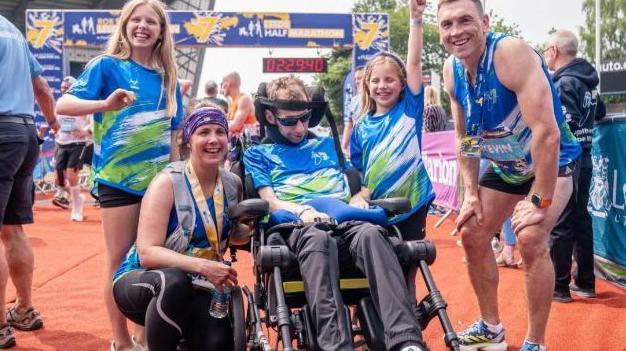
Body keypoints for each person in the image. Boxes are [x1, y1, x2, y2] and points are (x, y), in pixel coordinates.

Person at [437, 0, 582, 350]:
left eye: (465, 20)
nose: (456, 31)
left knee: (531, 237)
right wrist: (470, 192)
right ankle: (491, 328)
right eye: (447, 24)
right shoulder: (450, 71)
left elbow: (548, 135)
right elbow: (466, 138)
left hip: (551, 161)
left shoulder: (509, 54)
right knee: (472, 230)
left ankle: (536, 342)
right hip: (506, 165)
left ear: (485, 22)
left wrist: (539, 199)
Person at [244, 73, 426, 351]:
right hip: (300, 227)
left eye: (304, 118)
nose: (299, 127)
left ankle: (406, 342)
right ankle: (335, 346)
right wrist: (301, 211)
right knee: (318, 240)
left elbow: (359, 186)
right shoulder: (259, 154)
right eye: (289, 121)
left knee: (373, 235)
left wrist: (360, 197)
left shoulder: (327, 144)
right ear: (270, 117)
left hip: (347, 221)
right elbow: (270, 202)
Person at [56, 0, 184, 350]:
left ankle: (144, 336)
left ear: (161, 33)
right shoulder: (106, 66)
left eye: (151, 22)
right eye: (136, 20)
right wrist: (105, 105)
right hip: (118, 182)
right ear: (125, 25)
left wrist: (177, 179)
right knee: (118, 260)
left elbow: (174, 137)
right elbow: (62, 105)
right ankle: (121, 342)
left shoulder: (168, 79)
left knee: (150, 259)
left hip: (160, 187)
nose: (142, 26)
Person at [113, 107, 249, 350]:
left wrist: (252, 229)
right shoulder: (167, 182)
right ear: (189, 139)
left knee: (218, 343)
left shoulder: (232, 183)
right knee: (174, 283)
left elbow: (229, 235)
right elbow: (148, 253)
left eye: (220, 132)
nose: (213, 139)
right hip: (143, 281)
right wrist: (205, 266)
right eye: (203, 132)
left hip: (200, 286)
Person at [350, 0, 434, 241]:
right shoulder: (361, 127)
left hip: (413, 204)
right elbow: (358, 172)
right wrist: (359, 195)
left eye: (389, 80)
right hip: (376, 211)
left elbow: (414, 63)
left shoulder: (409, 110)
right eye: (375, 80)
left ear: (402, 84)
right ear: (366, 84)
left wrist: (415, 20)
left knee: (409, 267)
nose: (382, 86)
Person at [0, 13, 58, 349]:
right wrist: (52, 122)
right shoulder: (12, 30)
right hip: (24, 133)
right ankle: (23, 309)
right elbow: (42, 88)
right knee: (13, 228)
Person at [544, 29, 605, 303]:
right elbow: (600, 112)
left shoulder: (563, 83)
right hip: (588, 157)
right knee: (581, 218)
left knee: (562, 220)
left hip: (569, 161)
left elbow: (562, 128)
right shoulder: (588, 82)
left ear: (554, 51)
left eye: (546, 49)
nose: (546, 54)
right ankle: (586, 282)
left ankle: (559, 288)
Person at [51, 76, 92, 221]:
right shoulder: (59, 104)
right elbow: (59, 122)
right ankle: (78, 197)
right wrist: (55, 129)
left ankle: (76, 208)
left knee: (72, 174)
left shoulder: (82, 103)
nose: (64, 90)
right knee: (59, 180)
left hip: (78, 143)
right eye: (62, 87)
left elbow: (93, 121)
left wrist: (86, 131)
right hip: (61, 143)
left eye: (66, 87)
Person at [221, 72, 259, 139]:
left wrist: (217, 126)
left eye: (222, 84)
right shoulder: (234, 102)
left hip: (247, 143)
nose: (221, 88)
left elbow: (236, 126)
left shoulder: (243, 99)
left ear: (228, 83)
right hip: (239, 142)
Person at [341, 66, 364, 158]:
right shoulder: (354, 101)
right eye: (355, 79)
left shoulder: (377, 98)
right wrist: (343, 147)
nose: (356, 81)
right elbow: (349, 125)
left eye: (359, 78)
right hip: (358, 147)